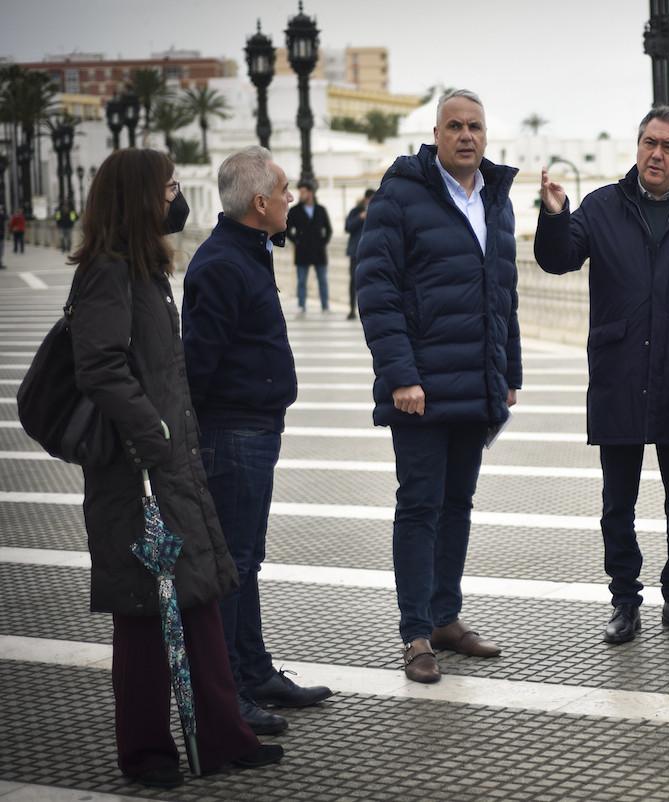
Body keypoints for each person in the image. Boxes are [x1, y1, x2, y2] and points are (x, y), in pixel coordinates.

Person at [69, 148, 282, 789]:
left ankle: (221, 737)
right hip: (136, 474)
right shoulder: (108, 271)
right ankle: (148, 753)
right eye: (168, 189)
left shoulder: (144, 269)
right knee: (142, 613)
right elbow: (100, 367)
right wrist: (153, 433)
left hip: (168, 467)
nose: (177, 198)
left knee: (199, 598)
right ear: (140, 199)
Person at [534, 106, 669, 644]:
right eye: (649, 142)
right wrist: (555, 215)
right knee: (617, 501)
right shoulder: (602, 206)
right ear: (637, 145)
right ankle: (624, 601)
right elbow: (558, 260)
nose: (656, 154)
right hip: (620, 369)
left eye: (668, 146)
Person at [356, 89, 520, 684]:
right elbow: (376, 292)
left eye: (475, 126)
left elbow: (505, 293)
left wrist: (511, 374)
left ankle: (447, 618)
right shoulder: (401, 196)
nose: (466, 136)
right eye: (455, 126)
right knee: (419, 507)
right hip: (420, 389)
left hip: (476, 385)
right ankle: (416, 633)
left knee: (457, 506)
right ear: (436, 133)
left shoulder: (496, 198)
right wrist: (401, 375)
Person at [183, 146, 333, 735]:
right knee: (233, 565)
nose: (293, 197)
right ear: (261, 201)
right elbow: (198, 361)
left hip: (255, 427)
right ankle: (225, 694)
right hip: (233, 431)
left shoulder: (248, 252)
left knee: (248, 561)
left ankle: (252, 670)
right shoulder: (221, 263)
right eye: (285, 189)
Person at [285, 179, 332, 315]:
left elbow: (328, 230)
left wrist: (323, 242)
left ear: (310, 193)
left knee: (322, 280)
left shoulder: (321, 210)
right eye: (300, 192)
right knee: (301, 281)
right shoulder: (295, 211)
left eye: (303, 192)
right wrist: (296, 241)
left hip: (319, 251)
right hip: (302, 251)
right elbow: (287, 230)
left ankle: (325, 306)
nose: (301, 194)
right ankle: (301, 305)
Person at [344, 188, 375, 320]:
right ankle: (352, 309)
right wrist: (360, 218)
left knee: (371, 282)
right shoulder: (356, 211)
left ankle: (369, 309)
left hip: (371, 253)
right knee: (354, 282)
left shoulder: (377, 211)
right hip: (355, 253)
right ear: (366, 199)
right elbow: (348, 227)